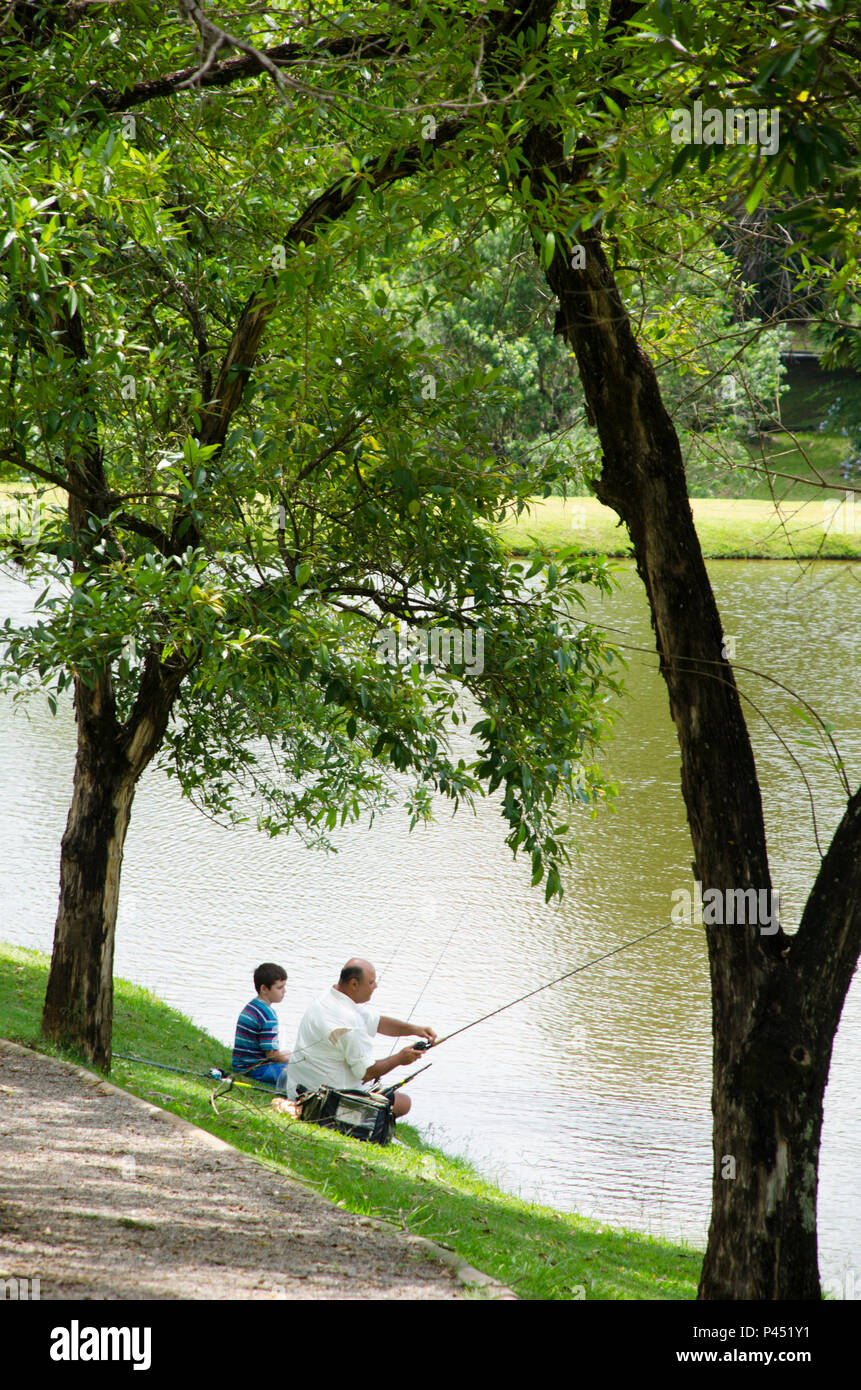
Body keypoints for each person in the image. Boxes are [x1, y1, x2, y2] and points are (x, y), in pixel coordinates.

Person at [283, 958, 436, 1118]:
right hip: (324, 1102)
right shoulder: (348, 1023)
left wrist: (415, 1030)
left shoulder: (327, 997)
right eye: (371, 983)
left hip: (297, 1089)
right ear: (354, 984)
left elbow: (377, 1023)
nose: (375, 986)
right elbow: (367, 1073)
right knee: (404, 1103)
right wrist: (400, 1058)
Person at [232, 962, 291, 1086]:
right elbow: (272, 1055)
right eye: (279, 988)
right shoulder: (268, 1015)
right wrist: (290, 1058)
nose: (284, 991)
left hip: (240, 1064)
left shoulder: (252, 1005)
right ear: (264, 989)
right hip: (254, 1069)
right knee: (300, 1069)